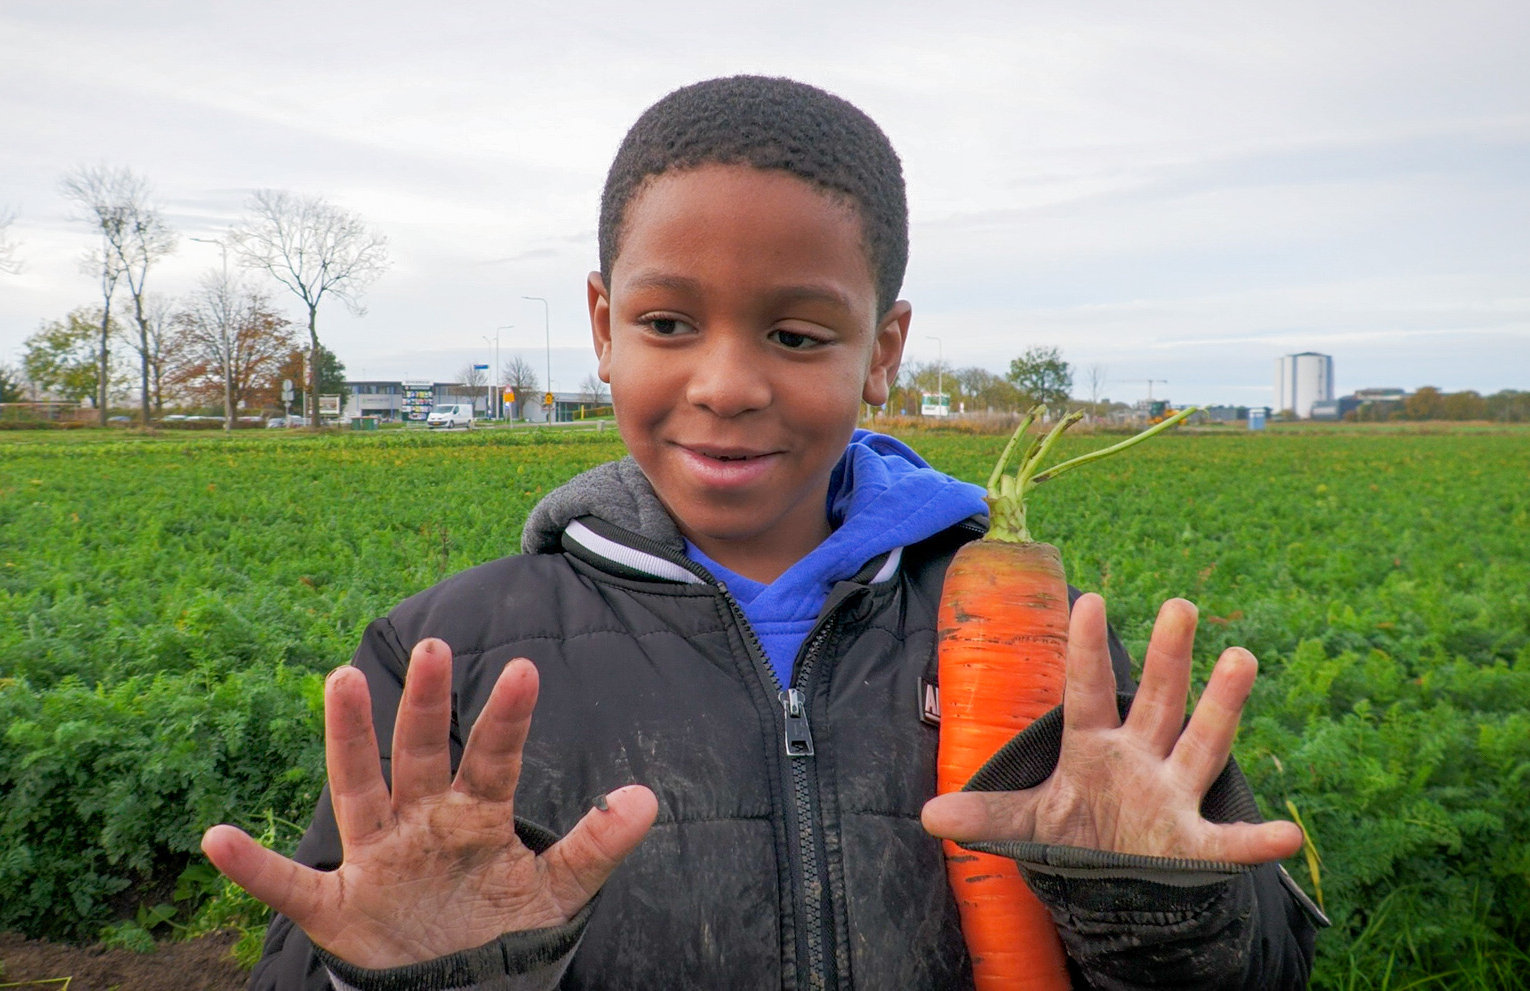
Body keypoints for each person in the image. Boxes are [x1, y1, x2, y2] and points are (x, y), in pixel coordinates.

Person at [203, 75, 1326, 991]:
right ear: (602, 327)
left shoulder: (1048, 654)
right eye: (667, 323)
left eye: (794, 335)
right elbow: (319, 958)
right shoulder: (456, 652)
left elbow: (1263, 965)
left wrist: (1154, 907)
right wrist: (404, 977)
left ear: (882, 349)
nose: (727, 383)